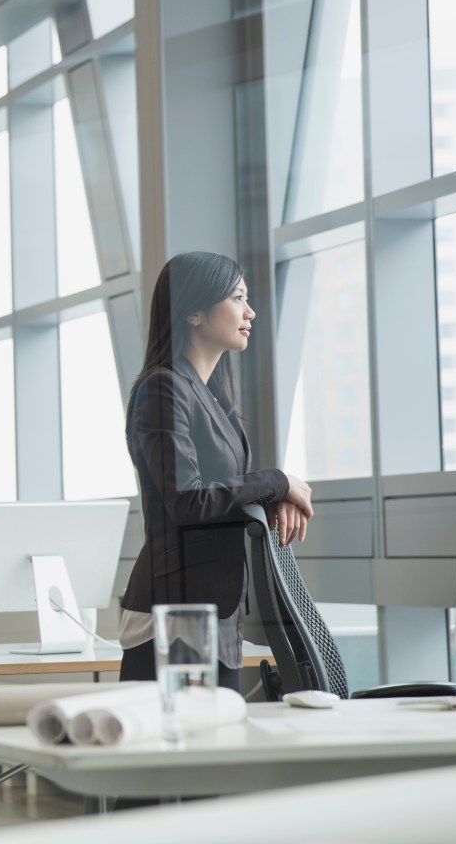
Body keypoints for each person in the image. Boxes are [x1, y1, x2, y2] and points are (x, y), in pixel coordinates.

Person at [117, 251, 314, 691]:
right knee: (183, 749)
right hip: (175, 614)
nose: (251, 312)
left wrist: (271, 495)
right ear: (194, 312)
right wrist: (276, 481)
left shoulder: (208, 396)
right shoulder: (163, 389)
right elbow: (188, 501)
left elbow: (221, 491)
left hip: (210, 608)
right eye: (238, 297)